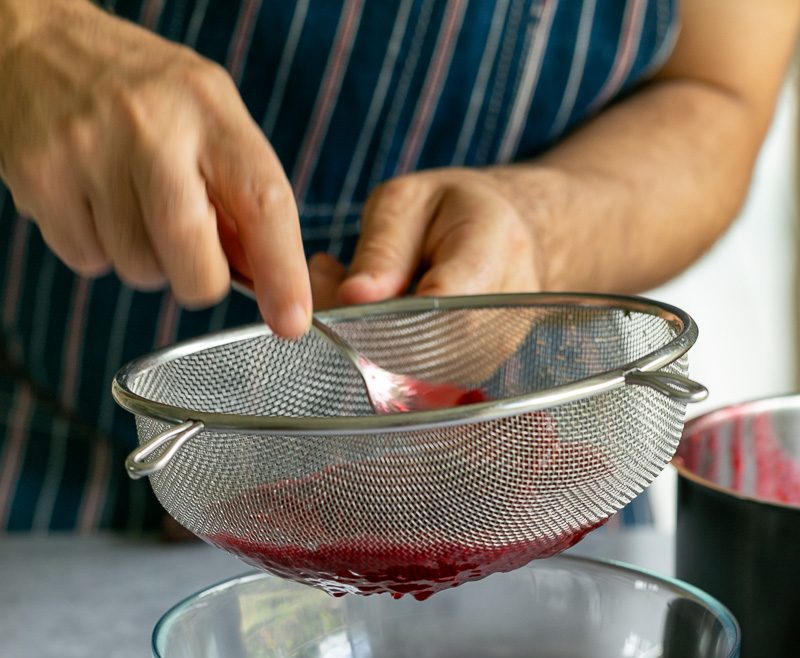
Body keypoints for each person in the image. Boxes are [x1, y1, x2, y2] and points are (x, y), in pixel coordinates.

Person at [0, 0, 798, 531]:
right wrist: (26, 37)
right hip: (53, 474)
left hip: (526, 491)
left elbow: (716, 93)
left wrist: (541, 227)